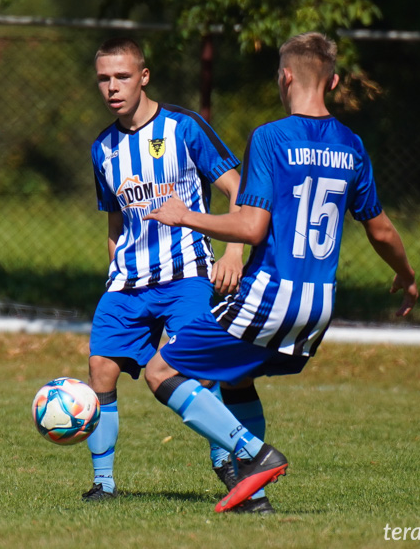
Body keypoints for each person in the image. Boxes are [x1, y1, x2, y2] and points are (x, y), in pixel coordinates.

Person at [142, 31, 419, 513]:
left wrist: (185, 215)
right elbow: (381, 230)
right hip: (319, 304)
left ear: (285, 76)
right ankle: (256, 499)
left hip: (270, 293)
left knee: (161, 370)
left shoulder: (271, 137)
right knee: (237, 379)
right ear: (331, 81)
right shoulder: (351, 145)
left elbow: (250, 227)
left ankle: (254, 455)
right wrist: (407, 275)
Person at [85, 37, 264, 506]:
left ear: (144, 76)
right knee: (100, 368)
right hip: (128, 283)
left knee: (198, 372)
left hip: (187, 276)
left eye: (122, 76)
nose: (112, 87)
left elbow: (238, 188)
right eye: (104, 78)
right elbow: (116, 220)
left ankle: (233, 462)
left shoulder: (185, 127)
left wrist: (232, 253)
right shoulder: (102, 149)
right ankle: (103, 485)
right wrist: (115, 275)